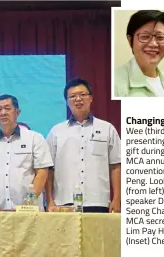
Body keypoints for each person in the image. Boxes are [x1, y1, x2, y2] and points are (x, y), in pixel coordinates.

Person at [46, 78, 121, 213]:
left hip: (98, 201)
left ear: (91, 98)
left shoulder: (107, 128)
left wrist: (117, 199)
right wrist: (50, 200)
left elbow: (115, 165)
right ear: (67, 101)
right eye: (72, 96)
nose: (78, 99)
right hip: (64, 202)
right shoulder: (56, 131)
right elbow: (48, 169)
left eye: (82, 95)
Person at [0, 94, 53, 211]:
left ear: (17, 112)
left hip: (29, 211)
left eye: (7, 108)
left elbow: (42, 173)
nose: (3, 112)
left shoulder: (35, 138)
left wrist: (27, 204)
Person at [114, 10, 164, 97]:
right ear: (130, 41)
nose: (153, 44)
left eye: (160, 37)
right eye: (145, 36)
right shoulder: (113, 80)